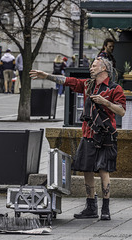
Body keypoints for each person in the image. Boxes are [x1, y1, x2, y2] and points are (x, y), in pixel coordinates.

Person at [29, 57, 126, 221]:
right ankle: (91, 206)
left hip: (105, 135)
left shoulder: (114, 88)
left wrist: (105, 102)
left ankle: (106, 208)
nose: (91, 68)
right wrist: (46, 76)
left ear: (104, 68)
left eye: (94, 65)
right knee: (87, 169)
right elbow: (68, 81)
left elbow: (121, 111)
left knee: (104, 170)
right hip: (88, 134)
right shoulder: (88, 85)